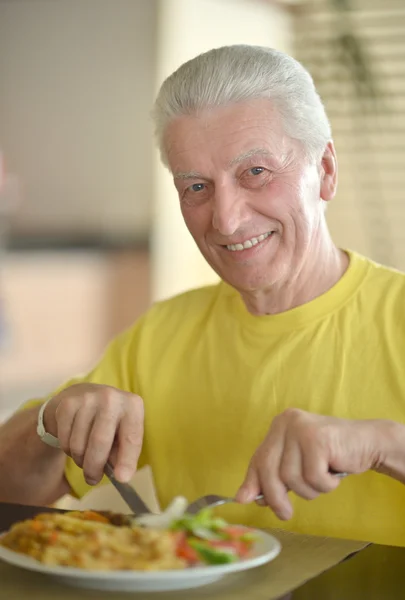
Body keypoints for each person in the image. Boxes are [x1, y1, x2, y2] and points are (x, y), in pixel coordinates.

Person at [1, 45, 405, 547]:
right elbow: (9, 491)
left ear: (325, 170)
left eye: (255, 172)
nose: (227, 219)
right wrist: (49, 420)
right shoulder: (162, 335)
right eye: (196, 186)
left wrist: (382, 444)